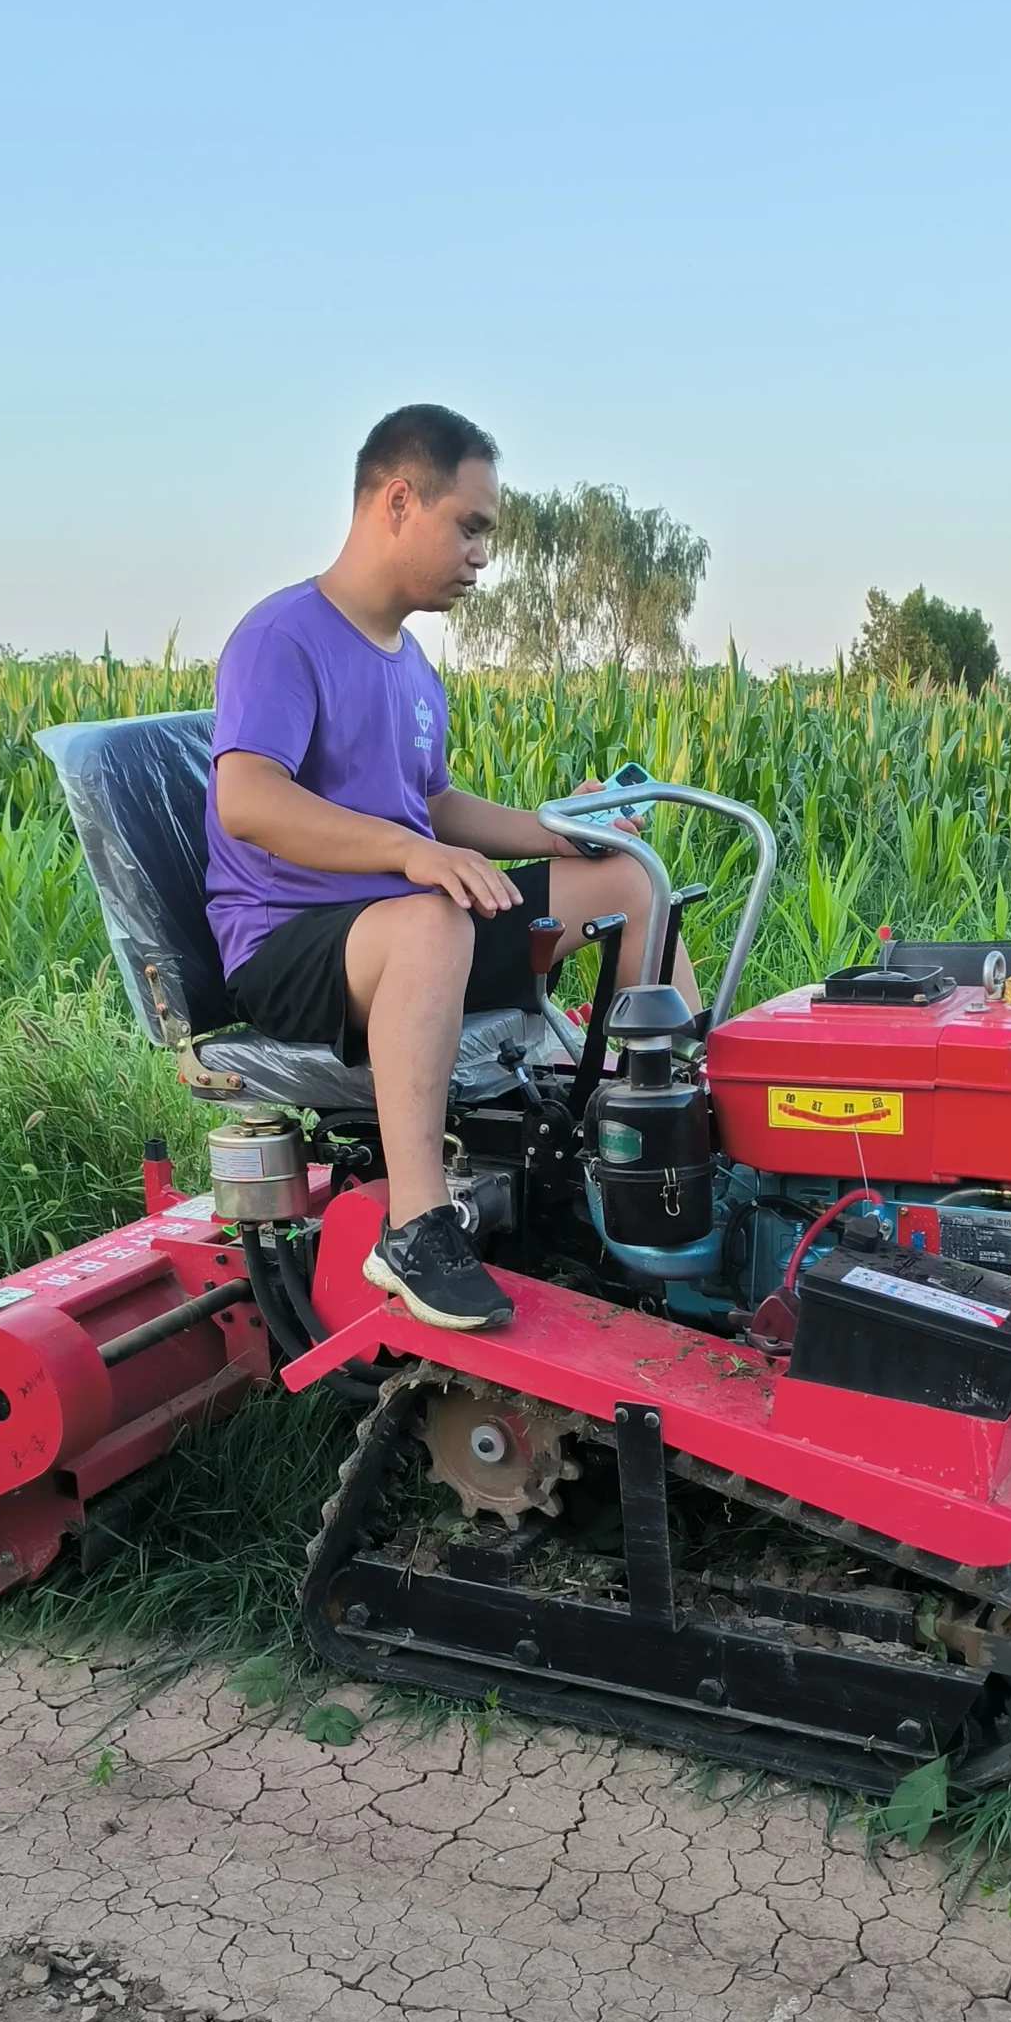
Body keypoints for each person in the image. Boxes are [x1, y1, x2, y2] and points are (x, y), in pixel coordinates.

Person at [206, 403, 698, 1333]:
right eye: (470, 527)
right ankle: (417, 1224)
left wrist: (558, 832)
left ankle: (668, 1132)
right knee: (435, 917)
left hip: (409, 924)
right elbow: (250, 801)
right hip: (291, 941)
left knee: (631, 881)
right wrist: (412, 855)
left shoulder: (411, 666)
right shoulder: (284, 638)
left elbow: (430, 803)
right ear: (399, 500)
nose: (483, 554)